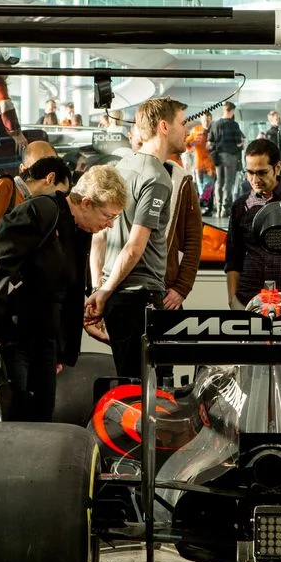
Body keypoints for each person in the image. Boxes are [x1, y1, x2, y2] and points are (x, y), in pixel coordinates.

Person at [0, 161, 126, 421]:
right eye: (108, 216)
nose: (110, 225)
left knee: (42, 418)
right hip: (12, 335)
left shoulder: (79, 231)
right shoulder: (40, 211)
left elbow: (63, 291)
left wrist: (62, 348)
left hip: (45, 342)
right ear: (86, 203)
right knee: (15, 419)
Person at [85, 97, 188, 380]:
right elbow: (133, 247)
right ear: (164, 127)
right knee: (147, 394)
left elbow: (99, 237)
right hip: (138, 298)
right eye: (182, 123)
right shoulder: (156, 178)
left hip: (116, 296)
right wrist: (103, 294)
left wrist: (99, 288)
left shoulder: (121, 168)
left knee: (128, 385)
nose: (187, 129)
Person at [225, 138, 281, 311]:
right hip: (249, 297)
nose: (254, 179)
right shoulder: (240, 206)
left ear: (277, 168)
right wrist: (232, 300)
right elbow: (233, 258)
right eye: (249, 172)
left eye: (262, 172)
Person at [157, 147, 203, 387]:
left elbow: (194, 241)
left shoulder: (181, 180)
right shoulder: (125, 172)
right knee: (130, 369)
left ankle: (163, 415)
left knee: (165, 369)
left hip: (166, 292)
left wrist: (181, 288)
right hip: (129, 291)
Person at [206, 102, 245, 218]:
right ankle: (225, 210)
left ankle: (218, 208)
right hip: (230, 156)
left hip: (217, 157)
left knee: (219, 182)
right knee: (228, 183)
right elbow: (238, 143)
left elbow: (209, 142)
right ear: (232, 110)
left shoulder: (215, 124)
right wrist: (242, 143)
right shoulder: (234, 125)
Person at [185, 112, 215, 202]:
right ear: (201, 120)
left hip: (210, 163)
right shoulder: (196, 130)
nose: (206, 121)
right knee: (200, 185)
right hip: (198, 163)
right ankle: (203, 202)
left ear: (211, 120)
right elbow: (187, 143)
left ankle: (205, 202)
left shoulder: (214, 130)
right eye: (204, 119)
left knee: (208, 185)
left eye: (208, 119)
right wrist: (192, 143)